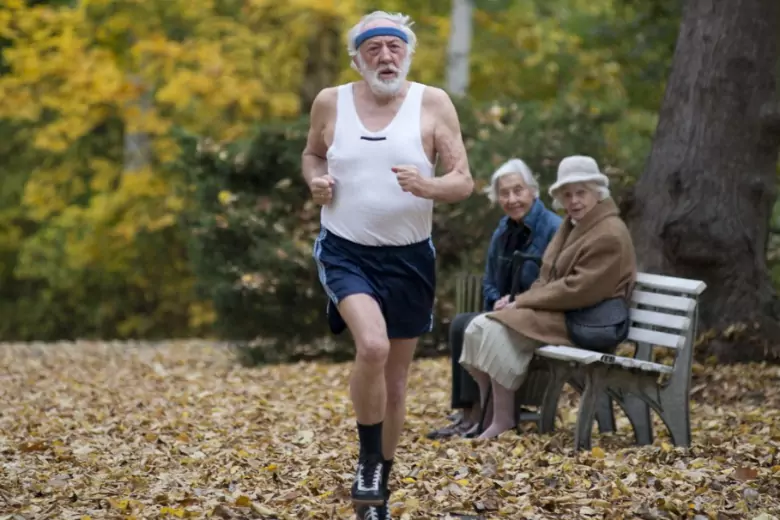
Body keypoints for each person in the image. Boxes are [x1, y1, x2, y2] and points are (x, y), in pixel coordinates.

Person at [301, 10, 473, 519]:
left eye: (394, 47)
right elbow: (312, 155)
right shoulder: (330, 102)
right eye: (373, 48)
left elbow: (463, 179)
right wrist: (316, 182)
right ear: (357, 58)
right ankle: (367, 462)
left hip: (410, 257)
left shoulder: (433, 103)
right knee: (371, 346)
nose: (385, 56)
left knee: (396, 384)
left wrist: (430, 186)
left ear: (408, 54)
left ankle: (378, 488)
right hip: (345, 250)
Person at [459, 155, 637, 439]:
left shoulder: (609, 233)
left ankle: (503, 420)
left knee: (493, 329)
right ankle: (489, 415)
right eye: (567, 194)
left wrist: (523, 302)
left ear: (597, 193)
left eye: (581, 193)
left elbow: (578, 289)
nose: (574, 200)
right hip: (564, 312)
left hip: (587, 321)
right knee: (476, 328)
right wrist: (517, 301)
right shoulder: (573, 224)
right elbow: (547, 275)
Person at [426, 159, 561, 440]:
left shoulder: (552, 228)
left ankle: (480, 414)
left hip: (535, 313)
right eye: (504, 193)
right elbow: (488, 279)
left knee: (469, 324)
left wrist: (519, 300)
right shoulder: (503, 231)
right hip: (506, 309)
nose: (512, 199)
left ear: (533, 192)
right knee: (461, 323)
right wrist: (496, 298)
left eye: (518, 191)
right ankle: (470, 413)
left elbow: (553, 282)